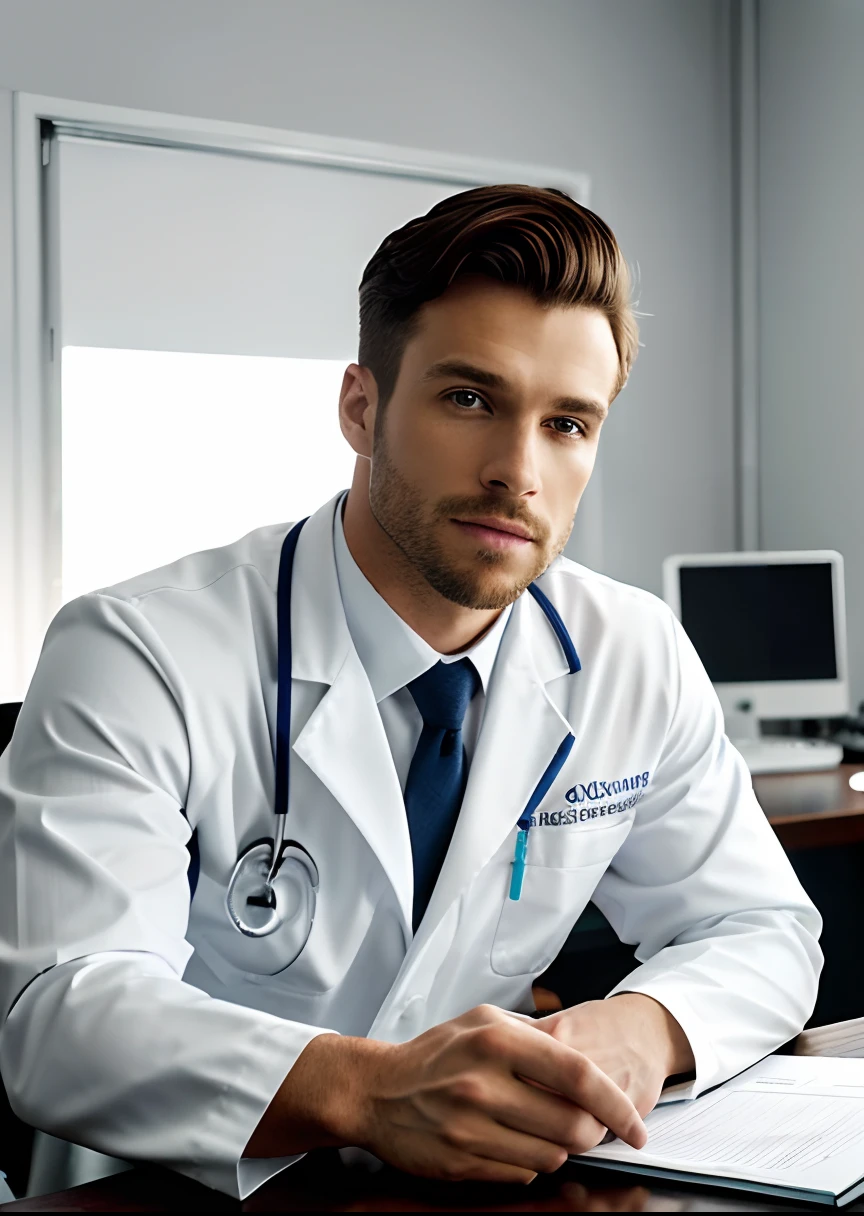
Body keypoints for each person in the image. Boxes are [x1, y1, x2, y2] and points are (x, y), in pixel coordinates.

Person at [0, 186, 821, 1200]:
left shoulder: (630, 652)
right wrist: (371, 1089)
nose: (517, 471)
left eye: (567, 422)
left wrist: (638, 1029)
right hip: (186, 1185)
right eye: (469, 398)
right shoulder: (137, 649)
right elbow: (61, 1014)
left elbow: (763, 927)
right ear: (361, 406)